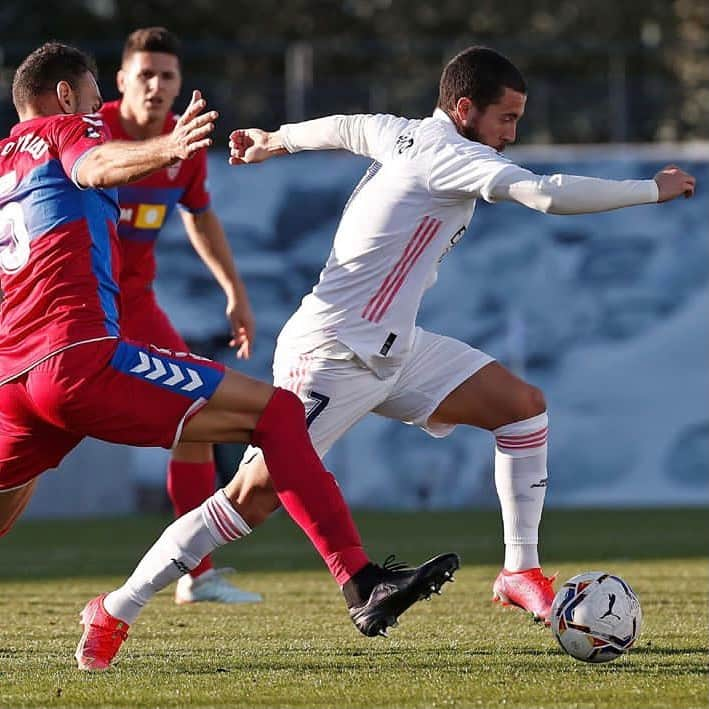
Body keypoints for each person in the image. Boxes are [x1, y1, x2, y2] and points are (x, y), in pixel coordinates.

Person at [0, 42, 459, 672]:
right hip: (76, 359)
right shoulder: (68, 128)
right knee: (277, 413)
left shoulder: (4, 160)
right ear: (64, 96)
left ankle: (133, 604)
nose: (99, 110)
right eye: (93, 94)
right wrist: (166, 146)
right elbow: (96, 163)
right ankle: (360, 581)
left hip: (13, 380)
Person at [225, 45, 696, 625]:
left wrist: (276, 138)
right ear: (466, 108)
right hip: (333, 349)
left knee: (522, 410)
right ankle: (121, 604)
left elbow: (346, 126)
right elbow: (547, 194)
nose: (513, 133)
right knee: (255, 494)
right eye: (508, 118)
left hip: (391, 345)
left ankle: (519, 570)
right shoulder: (452, 157)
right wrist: (651, 189)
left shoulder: (400, 132)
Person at [99, 27, 258, 606]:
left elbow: (200, 216)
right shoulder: (91, 133)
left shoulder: (183, 145)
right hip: (69, 307)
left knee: (197, 413)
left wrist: (234, 291)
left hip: (135, 305)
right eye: (146, 74)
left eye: (168, 75)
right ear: (120, 82)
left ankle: (196, 572)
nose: (158, 85)